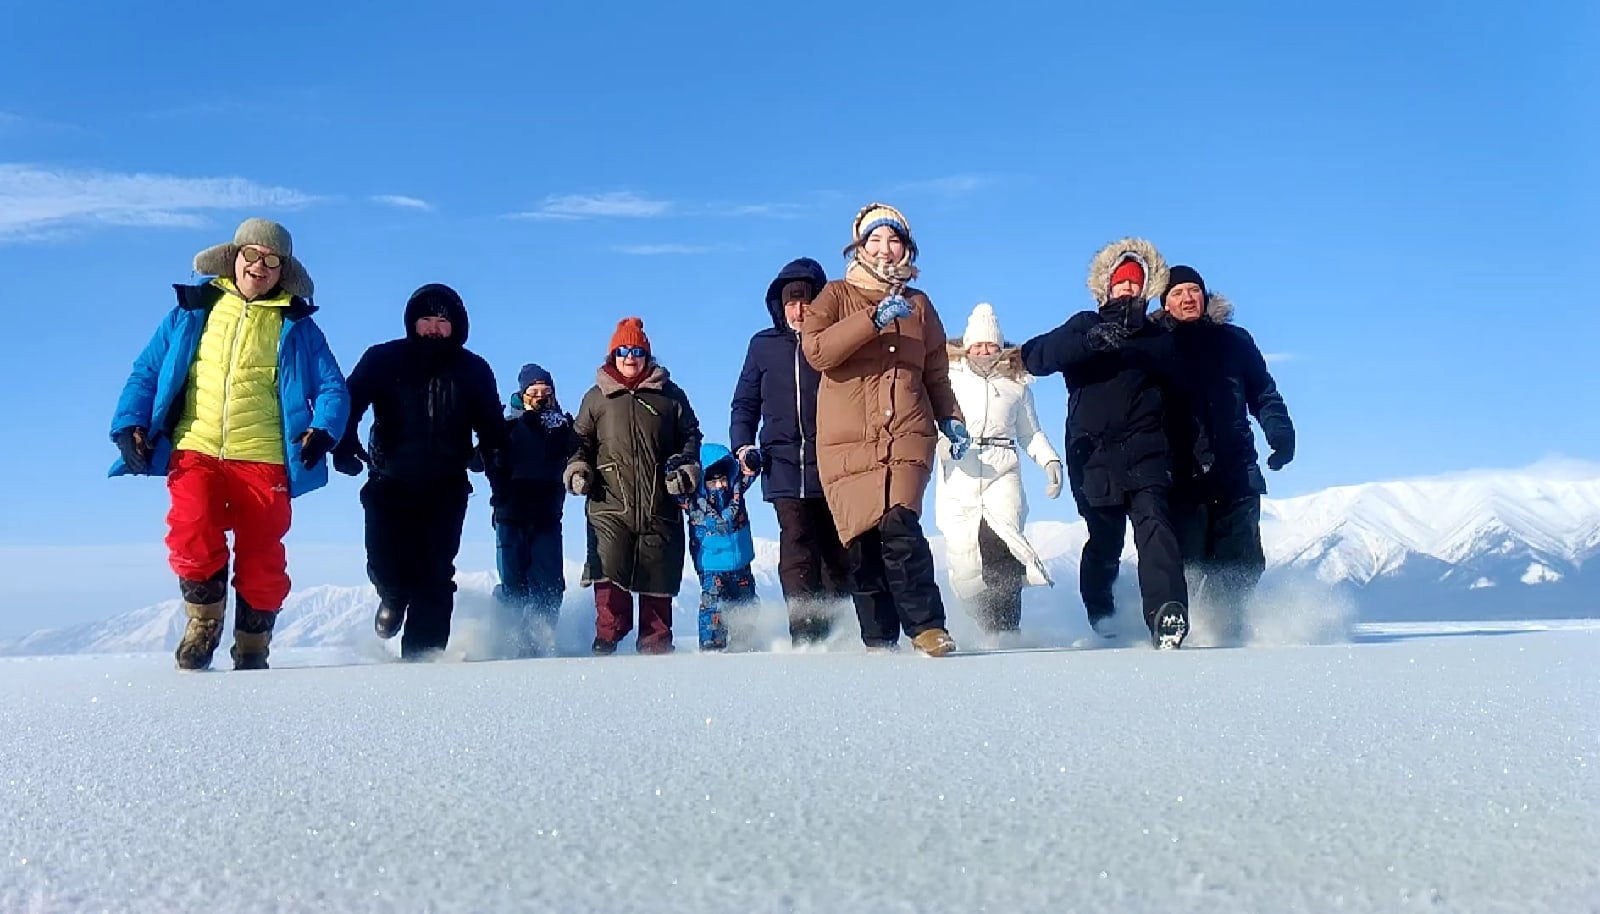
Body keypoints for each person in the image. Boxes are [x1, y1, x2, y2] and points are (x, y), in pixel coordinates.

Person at [109, 217, 348, 671]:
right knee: (191, 528)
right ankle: (203, 625)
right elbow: (146, 371)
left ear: (283, 271)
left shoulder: (296, 326)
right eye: (252, 255)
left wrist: (324, 430)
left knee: (262, 555)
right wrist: (129, 424)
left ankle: (253, 647)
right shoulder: (192, 310)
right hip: (195, 447)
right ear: (233, 258)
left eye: (272, 260)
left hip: (264, 457)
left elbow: (334, 387)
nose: (260, 266)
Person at [801, 203, 969, 656]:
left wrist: (950, 416)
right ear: (858, 246)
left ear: (906, 248)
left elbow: (935, 370)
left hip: (907, 433)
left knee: (900, 526)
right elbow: (817, 351)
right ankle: (878, 638)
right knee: (862, 542)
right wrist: (870, 321)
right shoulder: (835, 296)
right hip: (846, 441)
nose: (884, 248)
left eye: (893, 239)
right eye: (874, 239)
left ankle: (928, 627)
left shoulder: (919, 305)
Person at [1020, 238, 1203, 649]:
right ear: (1105, 287)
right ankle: (1101, 611)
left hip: (1147, 451)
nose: (1128, 289)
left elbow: (1185, 390)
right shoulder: (1084, 324)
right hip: (1094, 454)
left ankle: (1167, 613)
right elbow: (1034, 357)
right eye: (1120, 282)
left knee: (1156, 526)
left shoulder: (1158, 336)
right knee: (1105, 540)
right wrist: (1087, 343)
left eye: (1135, 283)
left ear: (1146, 287)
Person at [332, 283, 507, 660]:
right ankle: (392, 598)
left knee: (435, 576)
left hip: (445, 488)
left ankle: (422, 663)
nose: (432, 327)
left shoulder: (474, 370)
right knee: (386, 565)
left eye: (441, 320)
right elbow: (349, 402)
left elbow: (493, 428)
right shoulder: (383, 358)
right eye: (425, 319)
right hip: (388, 482)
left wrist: (492, 464)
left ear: (456, 326)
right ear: (412, 322)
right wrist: (343, 446)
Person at [1153, 266, 1295, 643]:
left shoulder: (1234, 341)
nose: (1187, 298)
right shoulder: (1155, 345)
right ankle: (1184, 627)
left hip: (1235, 468)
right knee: (1187, 559)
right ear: (1164, 302)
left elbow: (1263, 391)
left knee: (1242, 558)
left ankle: (1228, 628)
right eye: (1178, 292)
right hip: (1181, 472)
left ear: (1205, 295)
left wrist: (1280, 432)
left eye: (1193, 291)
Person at [729, 256, 854, 647]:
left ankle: (839, 631)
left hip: (833, 461)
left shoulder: (836, 343)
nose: (799, 309)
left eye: (807, 301)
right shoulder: (763, 346)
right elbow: (745, 403)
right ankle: (804, 632)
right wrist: (743, 445)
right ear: (779, 306)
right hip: (782, 463)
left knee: (836, 549)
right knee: (797, 544)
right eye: (791, 302)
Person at [564, 318, 703, 655]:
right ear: (613, 355)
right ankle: (607, 639)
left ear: (647, 355)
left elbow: (690, 436)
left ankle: (656, 645)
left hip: (660, 498)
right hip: (609, 500)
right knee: (608, 569)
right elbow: (579, 440)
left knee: (658, 573)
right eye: (623, 351)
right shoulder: (596, 398)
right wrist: (578, 468)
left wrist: (685, 468)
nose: (631, 357)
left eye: (637, 351)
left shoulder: (670, 395)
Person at [935, 303, 1064, 640]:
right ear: (967, 345)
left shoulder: (1016, 384)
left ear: (1000, 345)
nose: (984, 351)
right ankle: (982, 621)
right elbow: (933, 425)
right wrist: (946, 445)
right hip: (959, 468)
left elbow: (1030, 433)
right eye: (978, 344)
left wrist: (1050, 462)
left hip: (1002, 467)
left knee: (1002, 542)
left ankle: (1006, 625)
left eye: (990, 345)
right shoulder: (947, 378)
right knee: (964, 556)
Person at [488, 363, 577, 657]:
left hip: (548, 516)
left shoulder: (563, 427)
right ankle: (506, 636)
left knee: (550, 582)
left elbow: (580, 451)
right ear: (522, 394)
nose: (540, 397)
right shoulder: (506, 426)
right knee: (513, 583)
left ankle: (542, 637)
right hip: (510, 515)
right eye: (533, 391)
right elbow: (480, 458)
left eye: (546, 392)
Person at [674, 443, 761, 651]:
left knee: (745, 604)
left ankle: (745, 642)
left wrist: (752, 458)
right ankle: (712, 645)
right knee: (714, 607)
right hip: (711, 566)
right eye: (714, 481)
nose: (721, 485)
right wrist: (674, 471)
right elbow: (675, 492)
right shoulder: (694, 501)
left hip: (741, 563)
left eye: (723, 479)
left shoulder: (736, 491)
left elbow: (752, 469)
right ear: (703, 481)